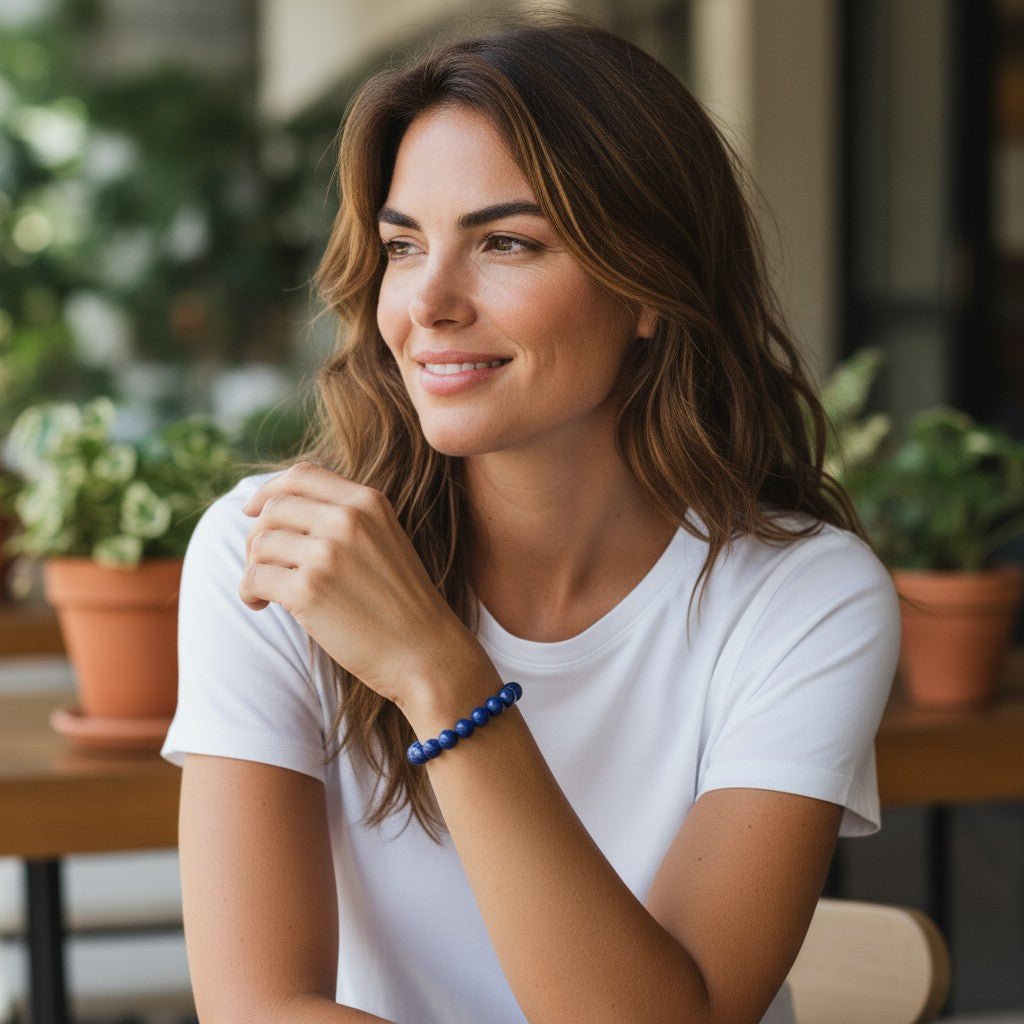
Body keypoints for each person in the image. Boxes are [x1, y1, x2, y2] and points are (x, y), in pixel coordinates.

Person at [161, 13, 902, 1024]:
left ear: (648, 287)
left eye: (506, 242)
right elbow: (256, 1007)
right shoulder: (278, 553)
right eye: (402, 244)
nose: (428, 301)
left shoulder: (802, 596)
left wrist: (440, 674)